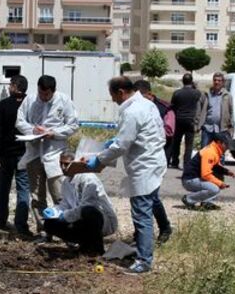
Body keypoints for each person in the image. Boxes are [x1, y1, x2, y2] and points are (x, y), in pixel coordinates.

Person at [87, 76, 172, 274]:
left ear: (121, 92)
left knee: (141, 213)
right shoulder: (146, 104)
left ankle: (144, 261)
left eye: (113, 96)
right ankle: (152, 240)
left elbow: (122, 145)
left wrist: (99, 159)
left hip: (144, 165)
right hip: (154, 159)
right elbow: (149, 133)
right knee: (150, 202)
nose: (114, 101)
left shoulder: (133, 111)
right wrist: (116, 142)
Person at [16, 75, 80, 237]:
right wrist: (32, 130)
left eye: (47, 95)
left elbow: (73, 125)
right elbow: (19, 121)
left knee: (60, 195)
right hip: (34, 153)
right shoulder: (30, 100)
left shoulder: (64, 101)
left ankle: (65, 231)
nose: (43, 97)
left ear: (53, 91)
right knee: (37, 195)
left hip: (55, 154)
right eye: (41, 93)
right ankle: (44, 231)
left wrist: (54, 133)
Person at [41, 154, 118, 256]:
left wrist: (65, 216)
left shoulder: (88, 178)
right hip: (80, 217)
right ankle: (83, 244)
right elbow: (65, 204)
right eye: (61, 164)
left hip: (101, 220)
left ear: (75, 164)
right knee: (49, 224)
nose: (63, 167)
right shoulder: (66, 182)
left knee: (88, 212)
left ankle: (96, 249)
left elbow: (89, 205)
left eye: (67, 164)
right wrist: (54, 211)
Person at [0, 75, 32, 236]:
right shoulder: (32, 105)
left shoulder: (4, 105)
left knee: (3, 188)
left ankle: (0, 220)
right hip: (25, 154)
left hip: (6, 154)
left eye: (10, 85)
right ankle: (21, 224)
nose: (8, 87)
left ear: (15, 86)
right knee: (23, 190)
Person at [181, 131, 235, 210]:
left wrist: (226, 172)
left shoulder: (215, 150)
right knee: (214, 189)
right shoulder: (210, 152)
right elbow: (205, 174)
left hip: (195, 178)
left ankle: (206, 203)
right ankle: (189, 199)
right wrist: (220, 183)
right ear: (219, 142)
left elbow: (214, 167)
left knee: (218, 177)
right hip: (189, 180)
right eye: (226, 144)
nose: (227, 147)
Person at [135, 79, 175, 167]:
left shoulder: (165, 108)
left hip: (159, 153)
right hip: (141, 155)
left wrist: (149, 132)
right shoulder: (136, 107)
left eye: (141, 97)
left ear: (149, 94)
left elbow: (169, 131)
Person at [170, 72, 203, 169]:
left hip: (179, 119)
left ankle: (175, 161)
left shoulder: (177, 93)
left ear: (182, 81)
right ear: (191, 81)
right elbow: (199, 103)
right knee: (189, 144)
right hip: (191, 120)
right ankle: (186, 164)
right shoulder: (196, 93)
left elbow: (173, 106)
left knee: (176, 141)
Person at [197, 72, 235, 149]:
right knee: (204, 152)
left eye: (219, 80)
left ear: (223, 82)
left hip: (222, 129)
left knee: (220, 154)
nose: (216, 82)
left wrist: (231, 129)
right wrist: (198, 125)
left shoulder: (227, 96)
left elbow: (231, 113)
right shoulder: (206, 94)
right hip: (207, 129)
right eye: (215, 80)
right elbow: (199, 110)